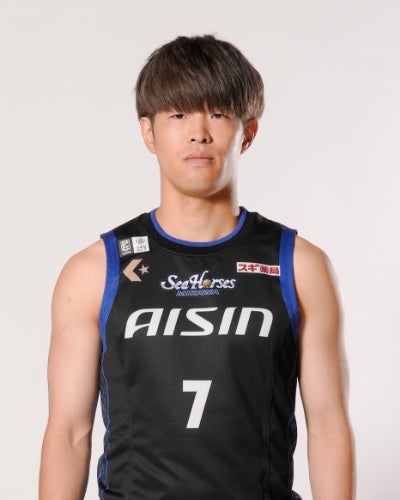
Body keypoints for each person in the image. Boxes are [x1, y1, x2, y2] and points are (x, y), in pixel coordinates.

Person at [39, 35, 354, 499]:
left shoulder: (298, 266)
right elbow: (68, 433)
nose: (198, 132)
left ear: (248, 131)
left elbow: (327, 425)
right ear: (149, 132)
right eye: (178, 114)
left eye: (218, 113)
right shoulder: (93, 272)